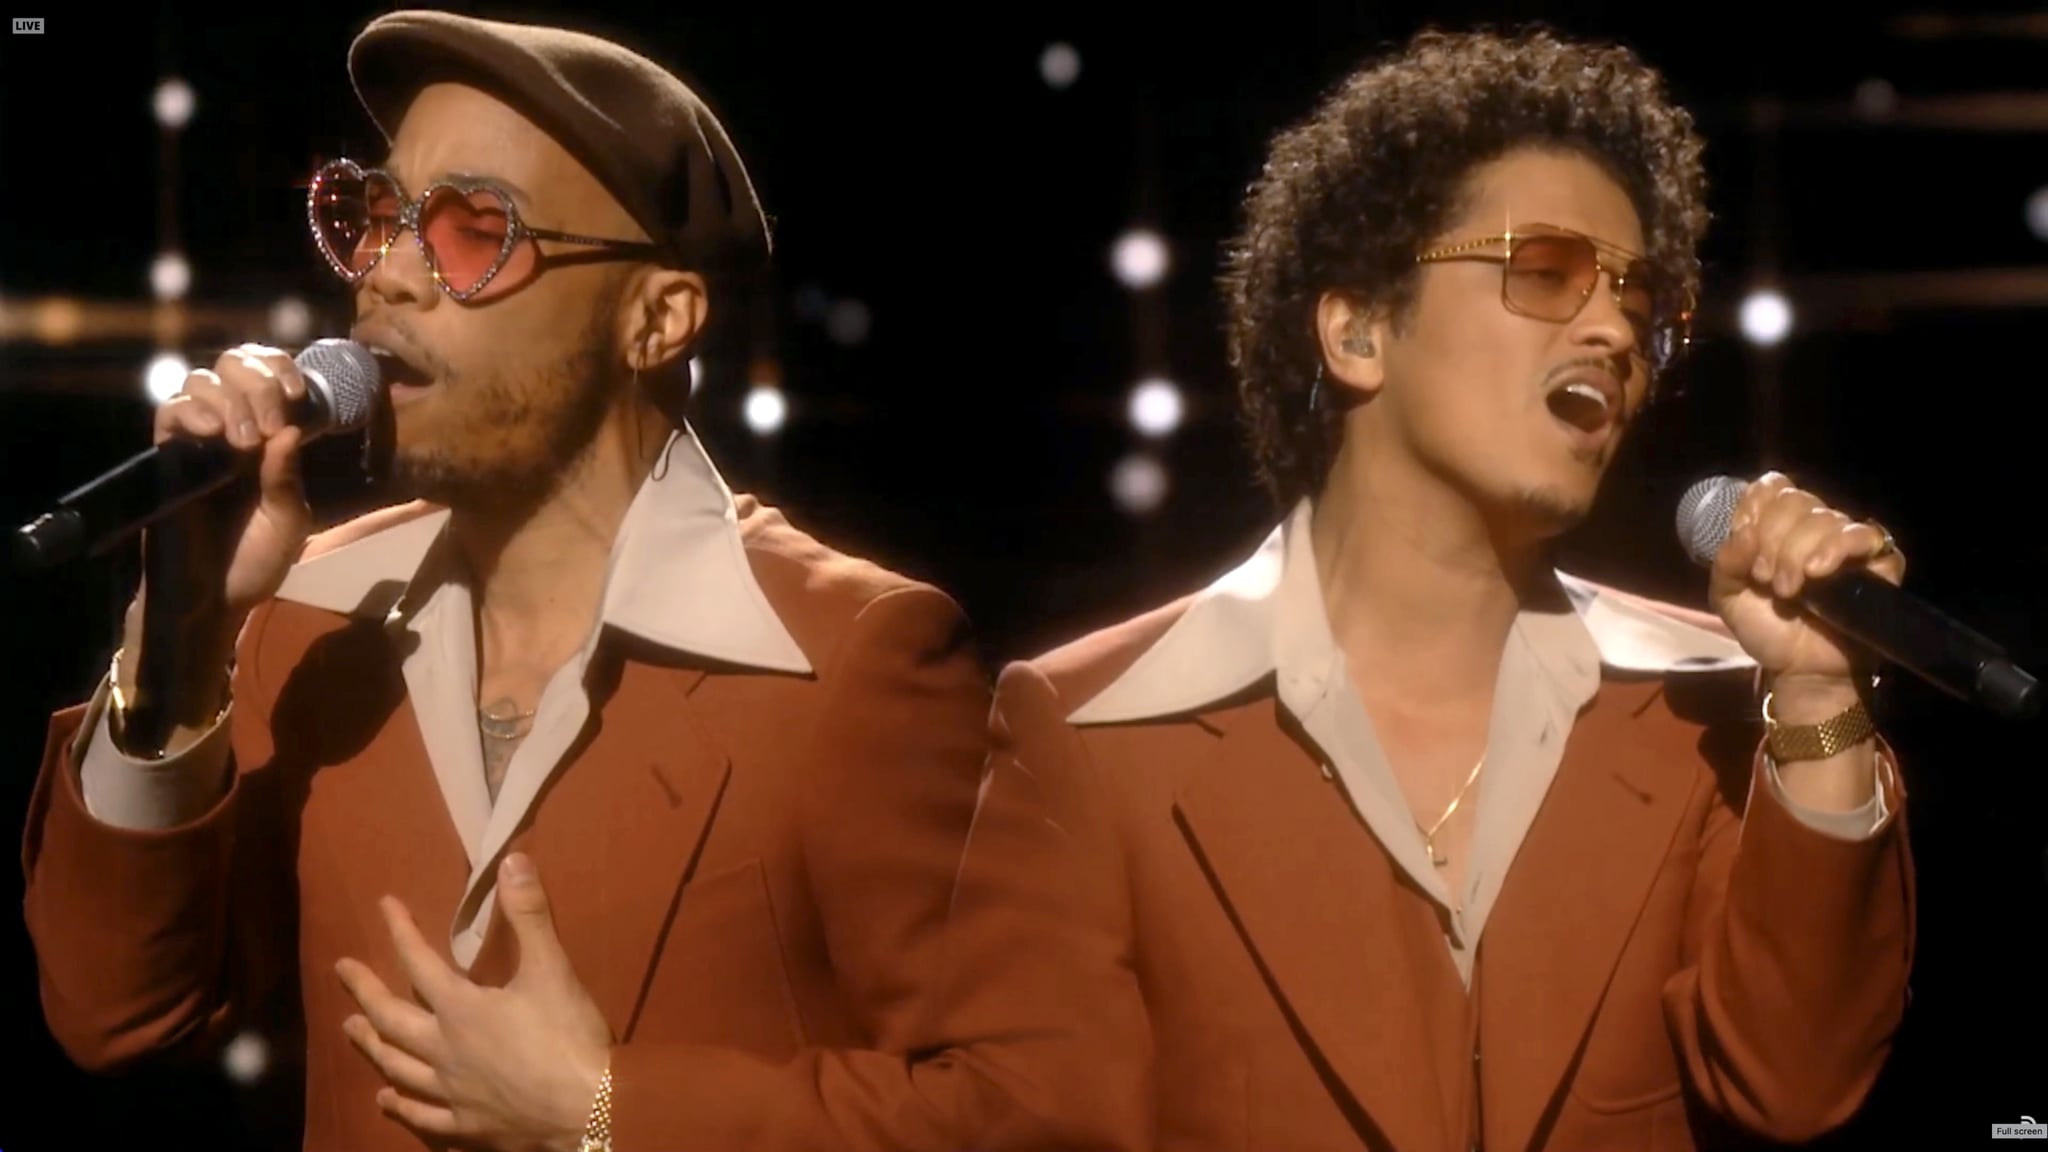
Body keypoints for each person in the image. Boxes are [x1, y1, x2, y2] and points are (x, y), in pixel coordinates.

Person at [21, 11, 1141, 1152]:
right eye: (371, 220)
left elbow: (1045, 1112)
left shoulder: (851, 657)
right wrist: (182, 624)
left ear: (656, 319)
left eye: (470, 232)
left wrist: (603, 1112)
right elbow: (124, 1014)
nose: (388, 281)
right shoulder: (310, 619)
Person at [984, 25, 1916, 1152]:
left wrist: (1818, 704)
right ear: (1358, 331)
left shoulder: (1711, 709)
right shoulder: (1093, 733)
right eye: (1545, 270)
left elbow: (1795, 1085)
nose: (1612, 328)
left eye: (1640, 302)